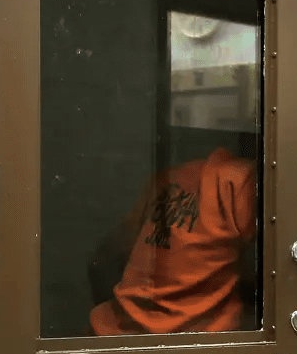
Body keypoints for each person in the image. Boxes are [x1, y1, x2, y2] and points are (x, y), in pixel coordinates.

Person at [88, 136, 258, 335]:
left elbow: (104, 259)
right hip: (194, 344)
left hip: (112, 333)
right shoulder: (240, 181)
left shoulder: (168, 177)